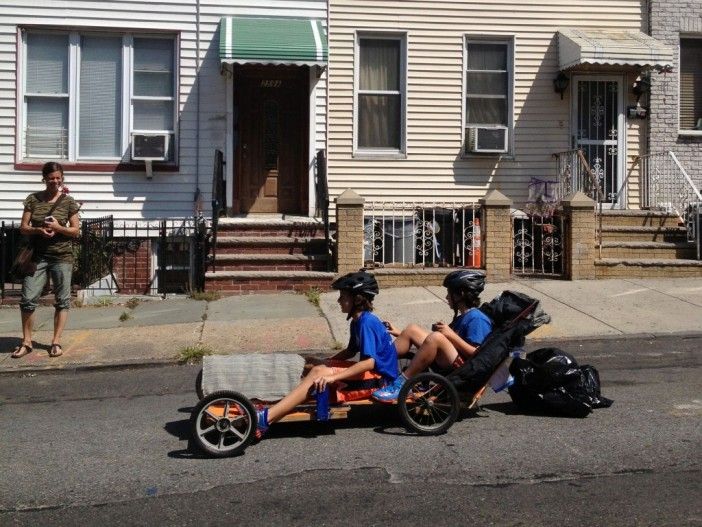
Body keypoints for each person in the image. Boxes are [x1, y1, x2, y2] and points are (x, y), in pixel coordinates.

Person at [256, 271, 399, 438]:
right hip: (372, 374)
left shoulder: (367, 322)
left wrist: (332, 377)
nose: (339, 300)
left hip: (381, 380)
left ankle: (265, 418)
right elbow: (350, 351)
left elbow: (369, 363)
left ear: (357, 299)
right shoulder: (358, 320)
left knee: (319, 372)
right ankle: (273, 408)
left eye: (343, 296)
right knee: (314, 365)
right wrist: (324, 361)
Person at [371, 269, 492, 402]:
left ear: (460, 294)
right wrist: (400, 333)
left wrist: (449, 335)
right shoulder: (464, 316)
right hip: (452, 360)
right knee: (412, 329)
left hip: (463, 371)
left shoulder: (477, 319)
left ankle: (401, 384)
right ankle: (376, 369)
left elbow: (479, 355)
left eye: (449, 293)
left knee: (435, 338)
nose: (446, 298)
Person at [11, 162, 80, 359]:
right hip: (37, 257)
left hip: (62, 256)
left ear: (62, 178)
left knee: (62, 300)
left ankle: (56, 342)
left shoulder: (68, 201)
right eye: (51, 178)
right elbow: (23, 227)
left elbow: (75, 231)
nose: (55, 181)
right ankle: (26, 342)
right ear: (44, 179)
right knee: (27, 299)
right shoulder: (33, 199)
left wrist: (58, 228)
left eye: (58, 178)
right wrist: (38, 230)